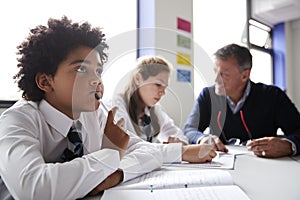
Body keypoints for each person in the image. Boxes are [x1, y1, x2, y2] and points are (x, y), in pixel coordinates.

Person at [0, 16, 163, 199]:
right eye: (81, 69)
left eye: (98, 71)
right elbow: (34, 189)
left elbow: (150, 151)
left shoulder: (96, 114)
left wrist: (116, 174)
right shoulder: (16, 120)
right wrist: (111, 154)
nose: (97, 80)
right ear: (45, 82)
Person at [183, 43, 300, 158]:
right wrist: (202, 138)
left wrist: (287, 146)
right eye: (215, 71)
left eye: (224, 74)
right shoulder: (208, 96)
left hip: (264, 166)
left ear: (245, 75)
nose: (216, 79)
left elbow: (298, 131)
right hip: (221, 165)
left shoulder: (273, 96)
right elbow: (189, 129)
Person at [112, 55, 217, 164]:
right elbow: (130, 148)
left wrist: (178, 142)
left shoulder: (154, 109)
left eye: (165, 87)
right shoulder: (116, 108)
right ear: (138, 79)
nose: (163, 92)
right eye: (158, 85)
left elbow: (178, 134)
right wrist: (180, 151)